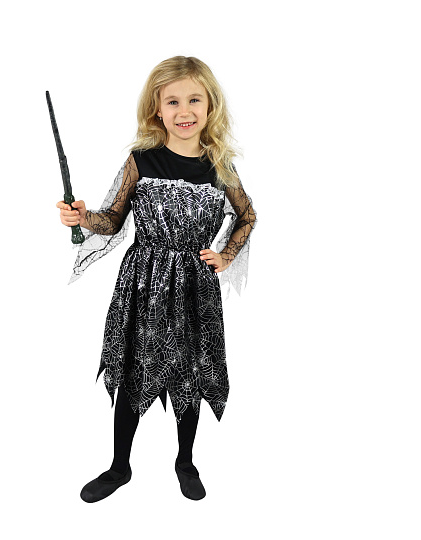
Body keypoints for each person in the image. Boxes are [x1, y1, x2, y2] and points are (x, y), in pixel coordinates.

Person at [56, 56, 257, 502]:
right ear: (157, 110)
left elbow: (248, 215)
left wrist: (225, 255)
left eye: (194, 100)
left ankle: (185, 462)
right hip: (142, 284)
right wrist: (83, 217)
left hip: (193, 285)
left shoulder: (220, 166)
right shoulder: (141, 161)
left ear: (210, 106)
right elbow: (112, 219)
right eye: (173, 102)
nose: (184, 111)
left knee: (190, 370)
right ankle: (119, 466)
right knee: (133, 367)